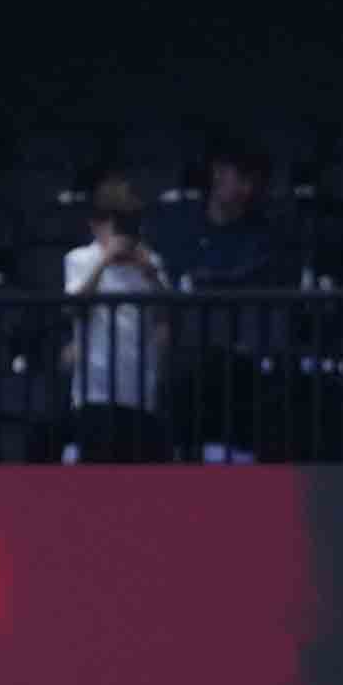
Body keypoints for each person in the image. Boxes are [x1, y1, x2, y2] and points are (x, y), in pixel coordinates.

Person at [63, 176, 171, 462]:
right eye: (118, 223)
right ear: (96, 224)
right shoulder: (80, 259)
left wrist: (150, 273)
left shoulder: (151, 262)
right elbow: (74, 307)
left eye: (130, 224)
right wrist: (104, 261)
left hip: (139, 389)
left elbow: (167, 313)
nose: (125, 233)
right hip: (95, 390)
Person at [148, 146, 278, 290]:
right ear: (218, 172)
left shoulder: (260, 237)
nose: (247, 189)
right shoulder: (176, 221)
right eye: (242, 178)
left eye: (255, 181)